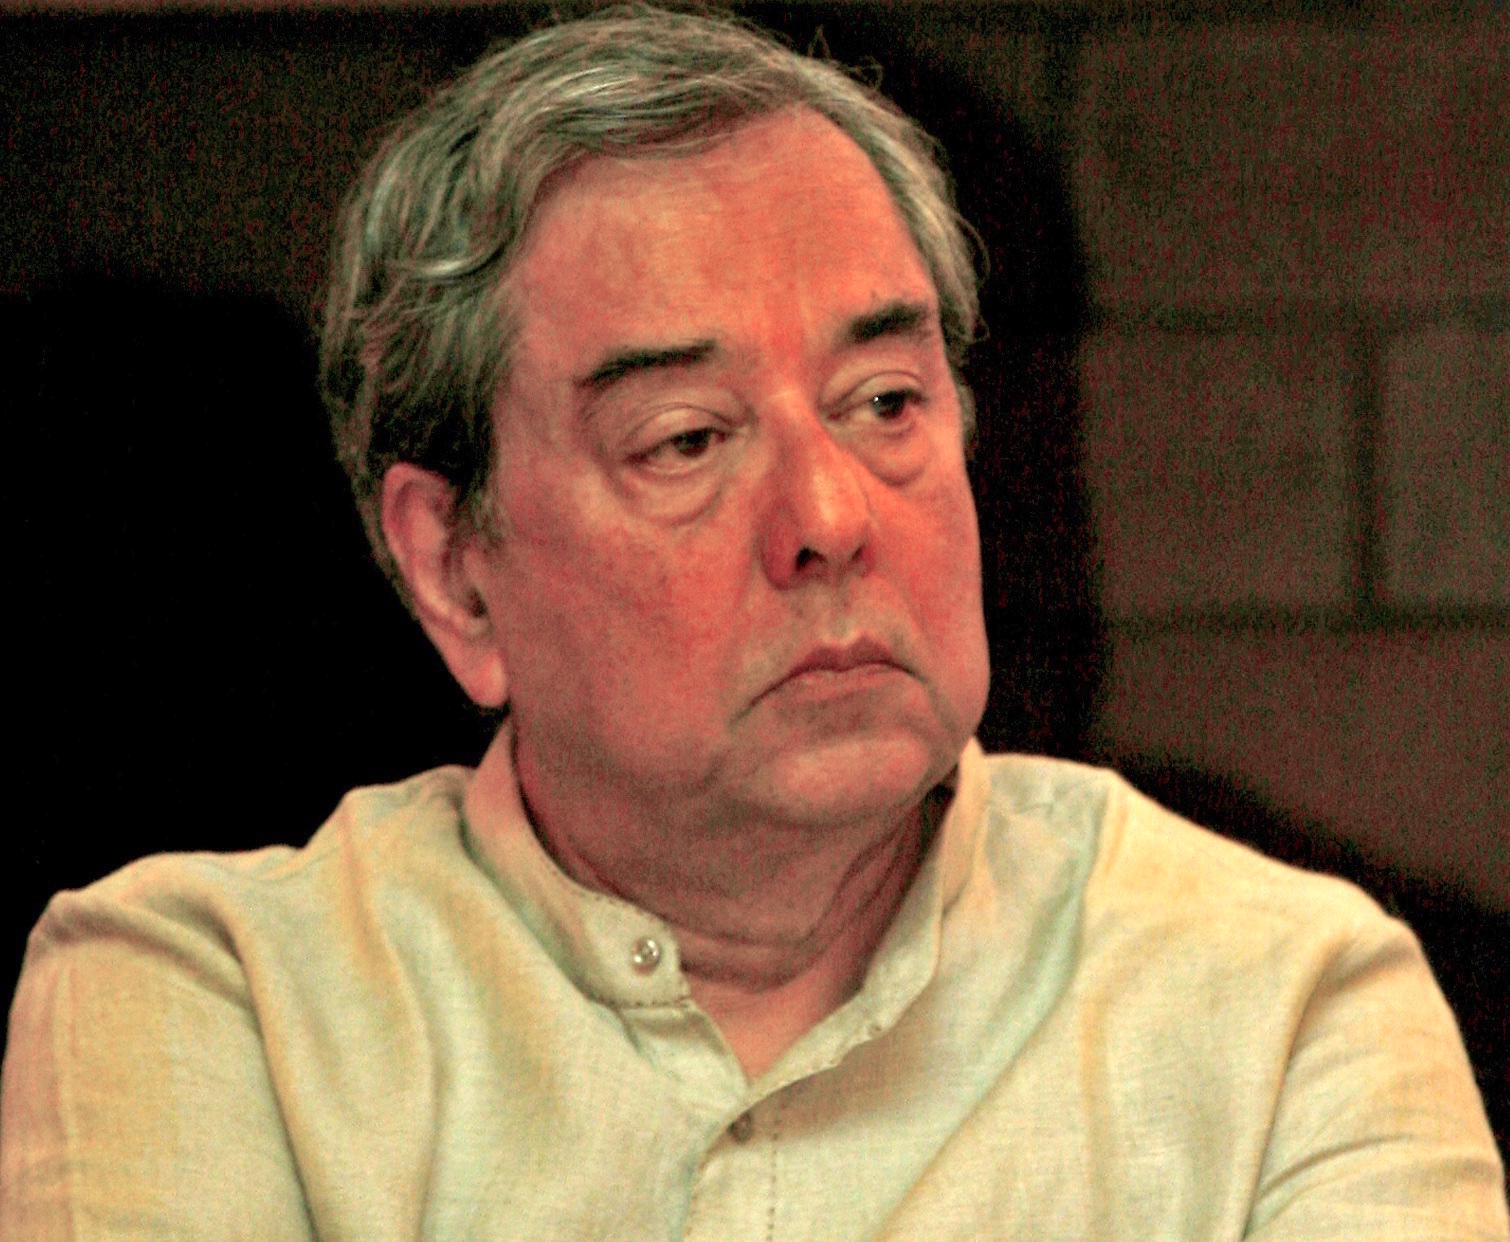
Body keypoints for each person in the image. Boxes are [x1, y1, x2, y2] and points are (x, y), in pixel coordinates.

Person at [2, 7, 1505, 1239]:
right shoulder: (217, 1005)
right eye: (686, 439)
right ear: (455, 570)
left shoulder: (1282, 1004)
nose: (830, 516)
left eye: (886, 403)